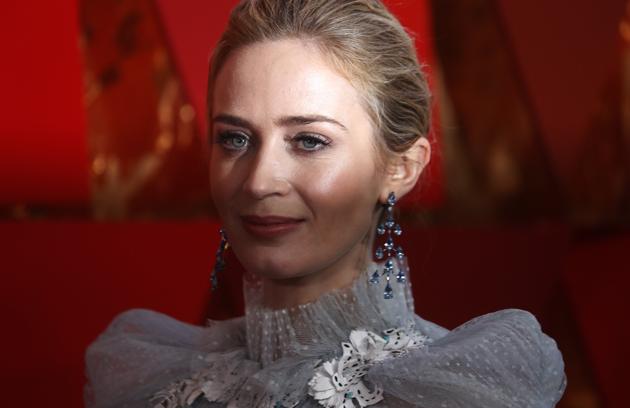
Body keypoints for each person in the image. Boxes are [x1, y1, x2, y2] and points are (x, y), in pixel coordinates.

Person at [85, 0, 567, 407]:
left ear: (399, 167)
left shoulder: (455, 388)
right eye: (234, 139)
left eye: (309, 141)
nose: (258, 182)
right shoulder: (159, 378)